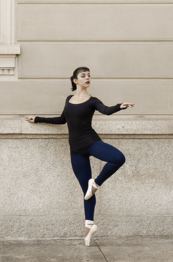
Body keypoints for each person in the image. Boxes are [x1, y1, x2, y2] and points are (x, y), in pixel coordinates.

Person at [25, 67, 134, 247]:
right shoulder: (69, 99)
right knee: (86, 193)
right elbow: (62, 120)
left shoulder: (93, 101)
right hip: (75, 150)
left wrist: (119, 107)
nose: (87, 78)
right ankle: (89, 226)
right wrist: (38, 119)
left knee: (118, 158)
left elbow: (106, 110)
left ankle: (96, 182)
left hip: (91, 142)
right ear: (75, 80)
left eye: (89, 75)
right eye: (83, 75)